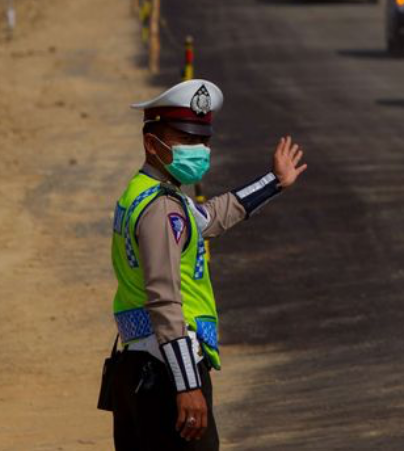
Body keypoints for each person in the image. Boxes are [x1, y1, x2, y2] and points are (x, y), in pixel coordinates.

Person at [106, 79, 306, 450]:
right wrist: (187, 387)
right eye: (184, 140)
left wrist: (274, 181)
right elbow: (165, 301)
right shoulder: (162, 209)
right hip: (165, 372)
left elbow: (210, 218)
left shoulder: (146, 195)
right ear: (152, 144)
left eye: (203, 141)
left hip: (137, 367)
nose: (198, 150)